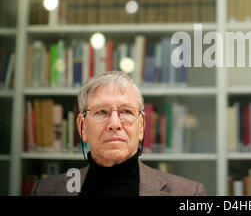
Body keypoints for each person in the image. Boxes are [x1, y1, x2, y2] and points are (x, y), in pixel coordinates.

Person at [32, 71, 207, 196]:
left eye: (126, 112)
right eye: (101, 112)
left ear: (141, 127)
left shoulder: (189, 194)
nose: (114, 124)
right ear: (82, 127)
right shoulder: (45, 190)